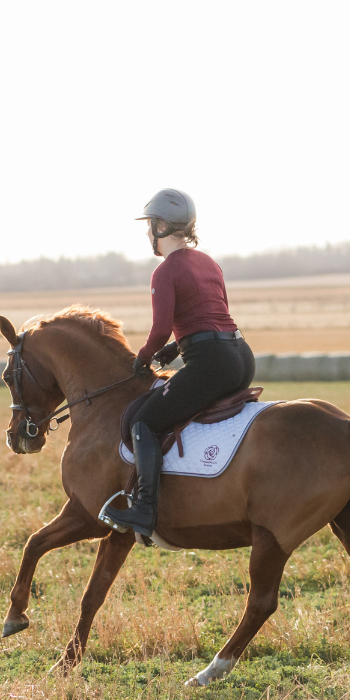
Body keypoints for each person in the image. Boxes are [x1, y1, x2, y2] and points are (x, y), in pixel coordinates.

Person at [103, 188, 255, 538]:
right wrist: (176, 348)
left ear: (160, 227)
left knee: (143, 421)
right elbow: (213, 317)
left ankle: (143, 510)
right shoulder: (209, 262)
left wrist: (142, 358)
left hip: (212, 364)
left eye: (150, 225)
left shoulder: (165, 271)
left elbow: (157, 330)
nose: (147, 233)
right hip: (241, 357)